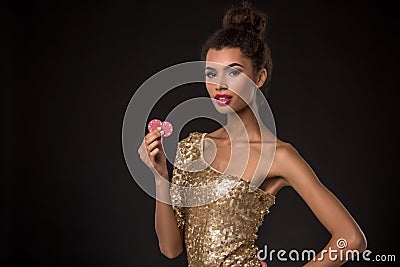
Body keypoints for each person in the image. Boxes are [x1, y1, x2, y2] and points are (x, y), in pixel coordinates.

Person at [138, 2, 367, 266]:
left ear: (259, 77)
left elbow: (351, 238)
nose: (219, 84)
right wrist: (160, 178)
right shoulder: (193, 147)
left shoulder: (278, 155)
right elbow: (170, 248)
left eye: (234, 72)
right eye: (211, 73)